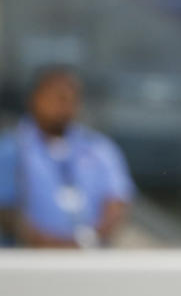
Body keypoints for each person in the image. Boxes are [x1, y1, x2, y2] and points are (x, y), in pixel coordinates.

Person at [0, 67, 135, 248]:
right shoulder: (12, 148)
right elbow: (5, 211)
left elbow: (117, 201)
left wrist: (89, 241)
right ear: (34, 99)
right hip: (29, 261)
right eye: (56, 98)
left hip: (89, 260)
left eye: (71, 99)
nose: (63, 106)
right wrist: (49, 244)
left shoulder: (99, 148)